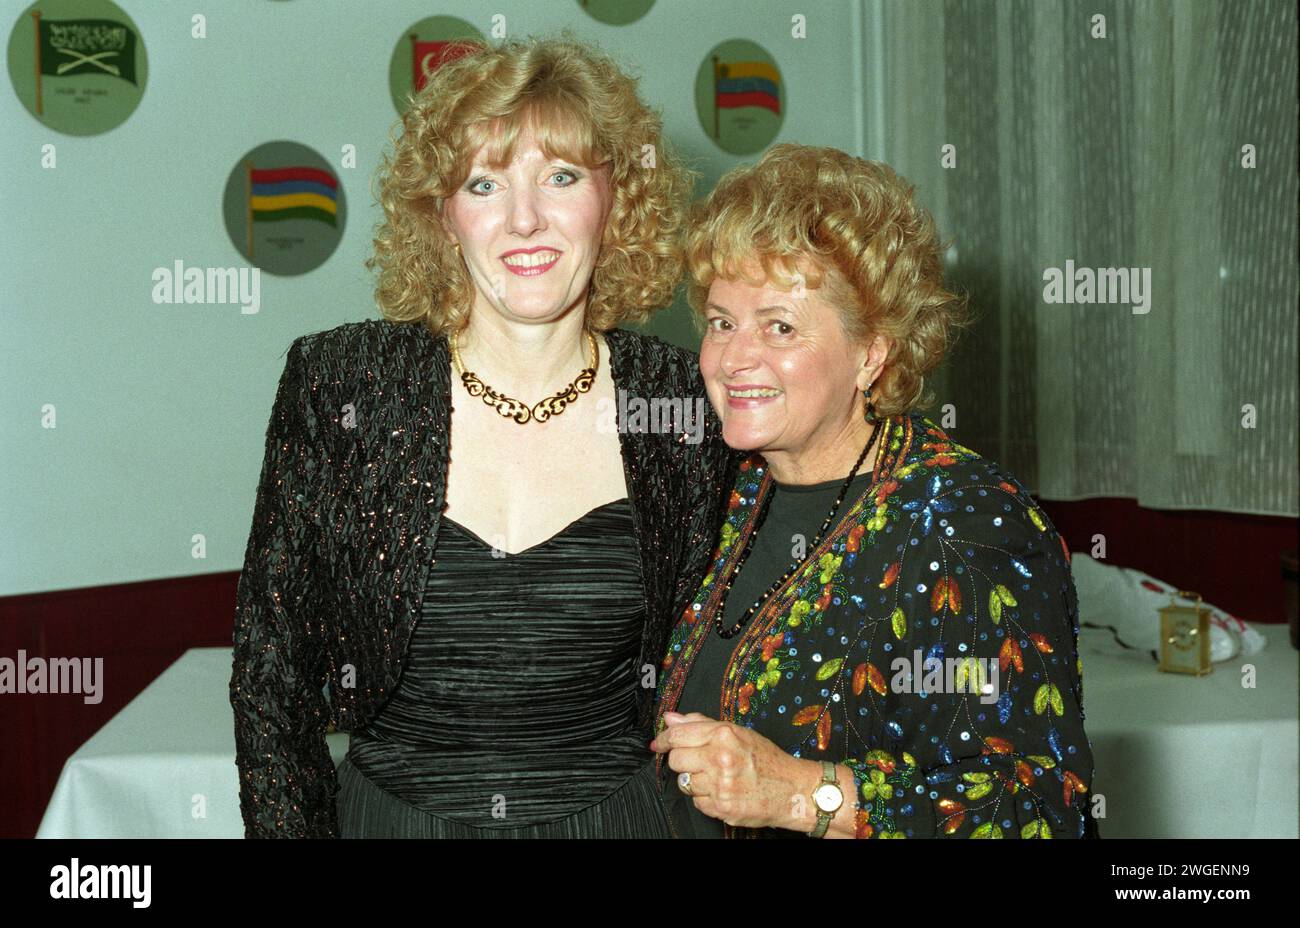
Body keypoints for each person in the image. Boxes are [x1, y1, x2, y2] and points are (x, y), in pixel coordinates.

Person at [230, 35, 737, 838]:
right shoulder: (342, 384)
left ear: (619, 200)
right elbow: (271, 679)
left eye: (562, 177)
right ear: (443, 214)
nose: (524, 218)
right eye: (484, 183)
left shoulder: (687, 404)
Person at [651, 144, 1096, 838]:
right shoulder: (721, 489)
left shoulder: (963, 522)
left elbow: (1039, 809)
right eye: (721, 321)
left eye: (780, 325)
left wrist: (801, 794)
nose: (734, 358)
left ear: (872, 353)